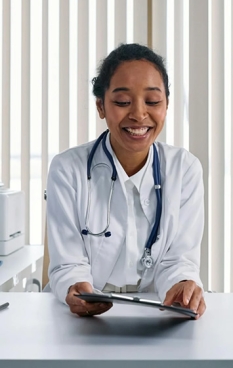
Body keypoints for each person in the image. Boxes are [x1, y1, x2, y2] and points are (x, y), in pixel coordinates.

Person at [46, 44, 206, 318]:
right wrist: (77, 288)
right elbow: (68, 263)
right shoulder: (67, 169)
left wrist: (182, 285)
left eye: (153, 101)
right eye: (122, 102)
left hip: (157, 313)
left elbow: (179, 259)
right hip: (82, 319)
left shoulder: (184, 169)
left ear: (166, 105)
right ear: (101, 106)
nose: (139, 114)